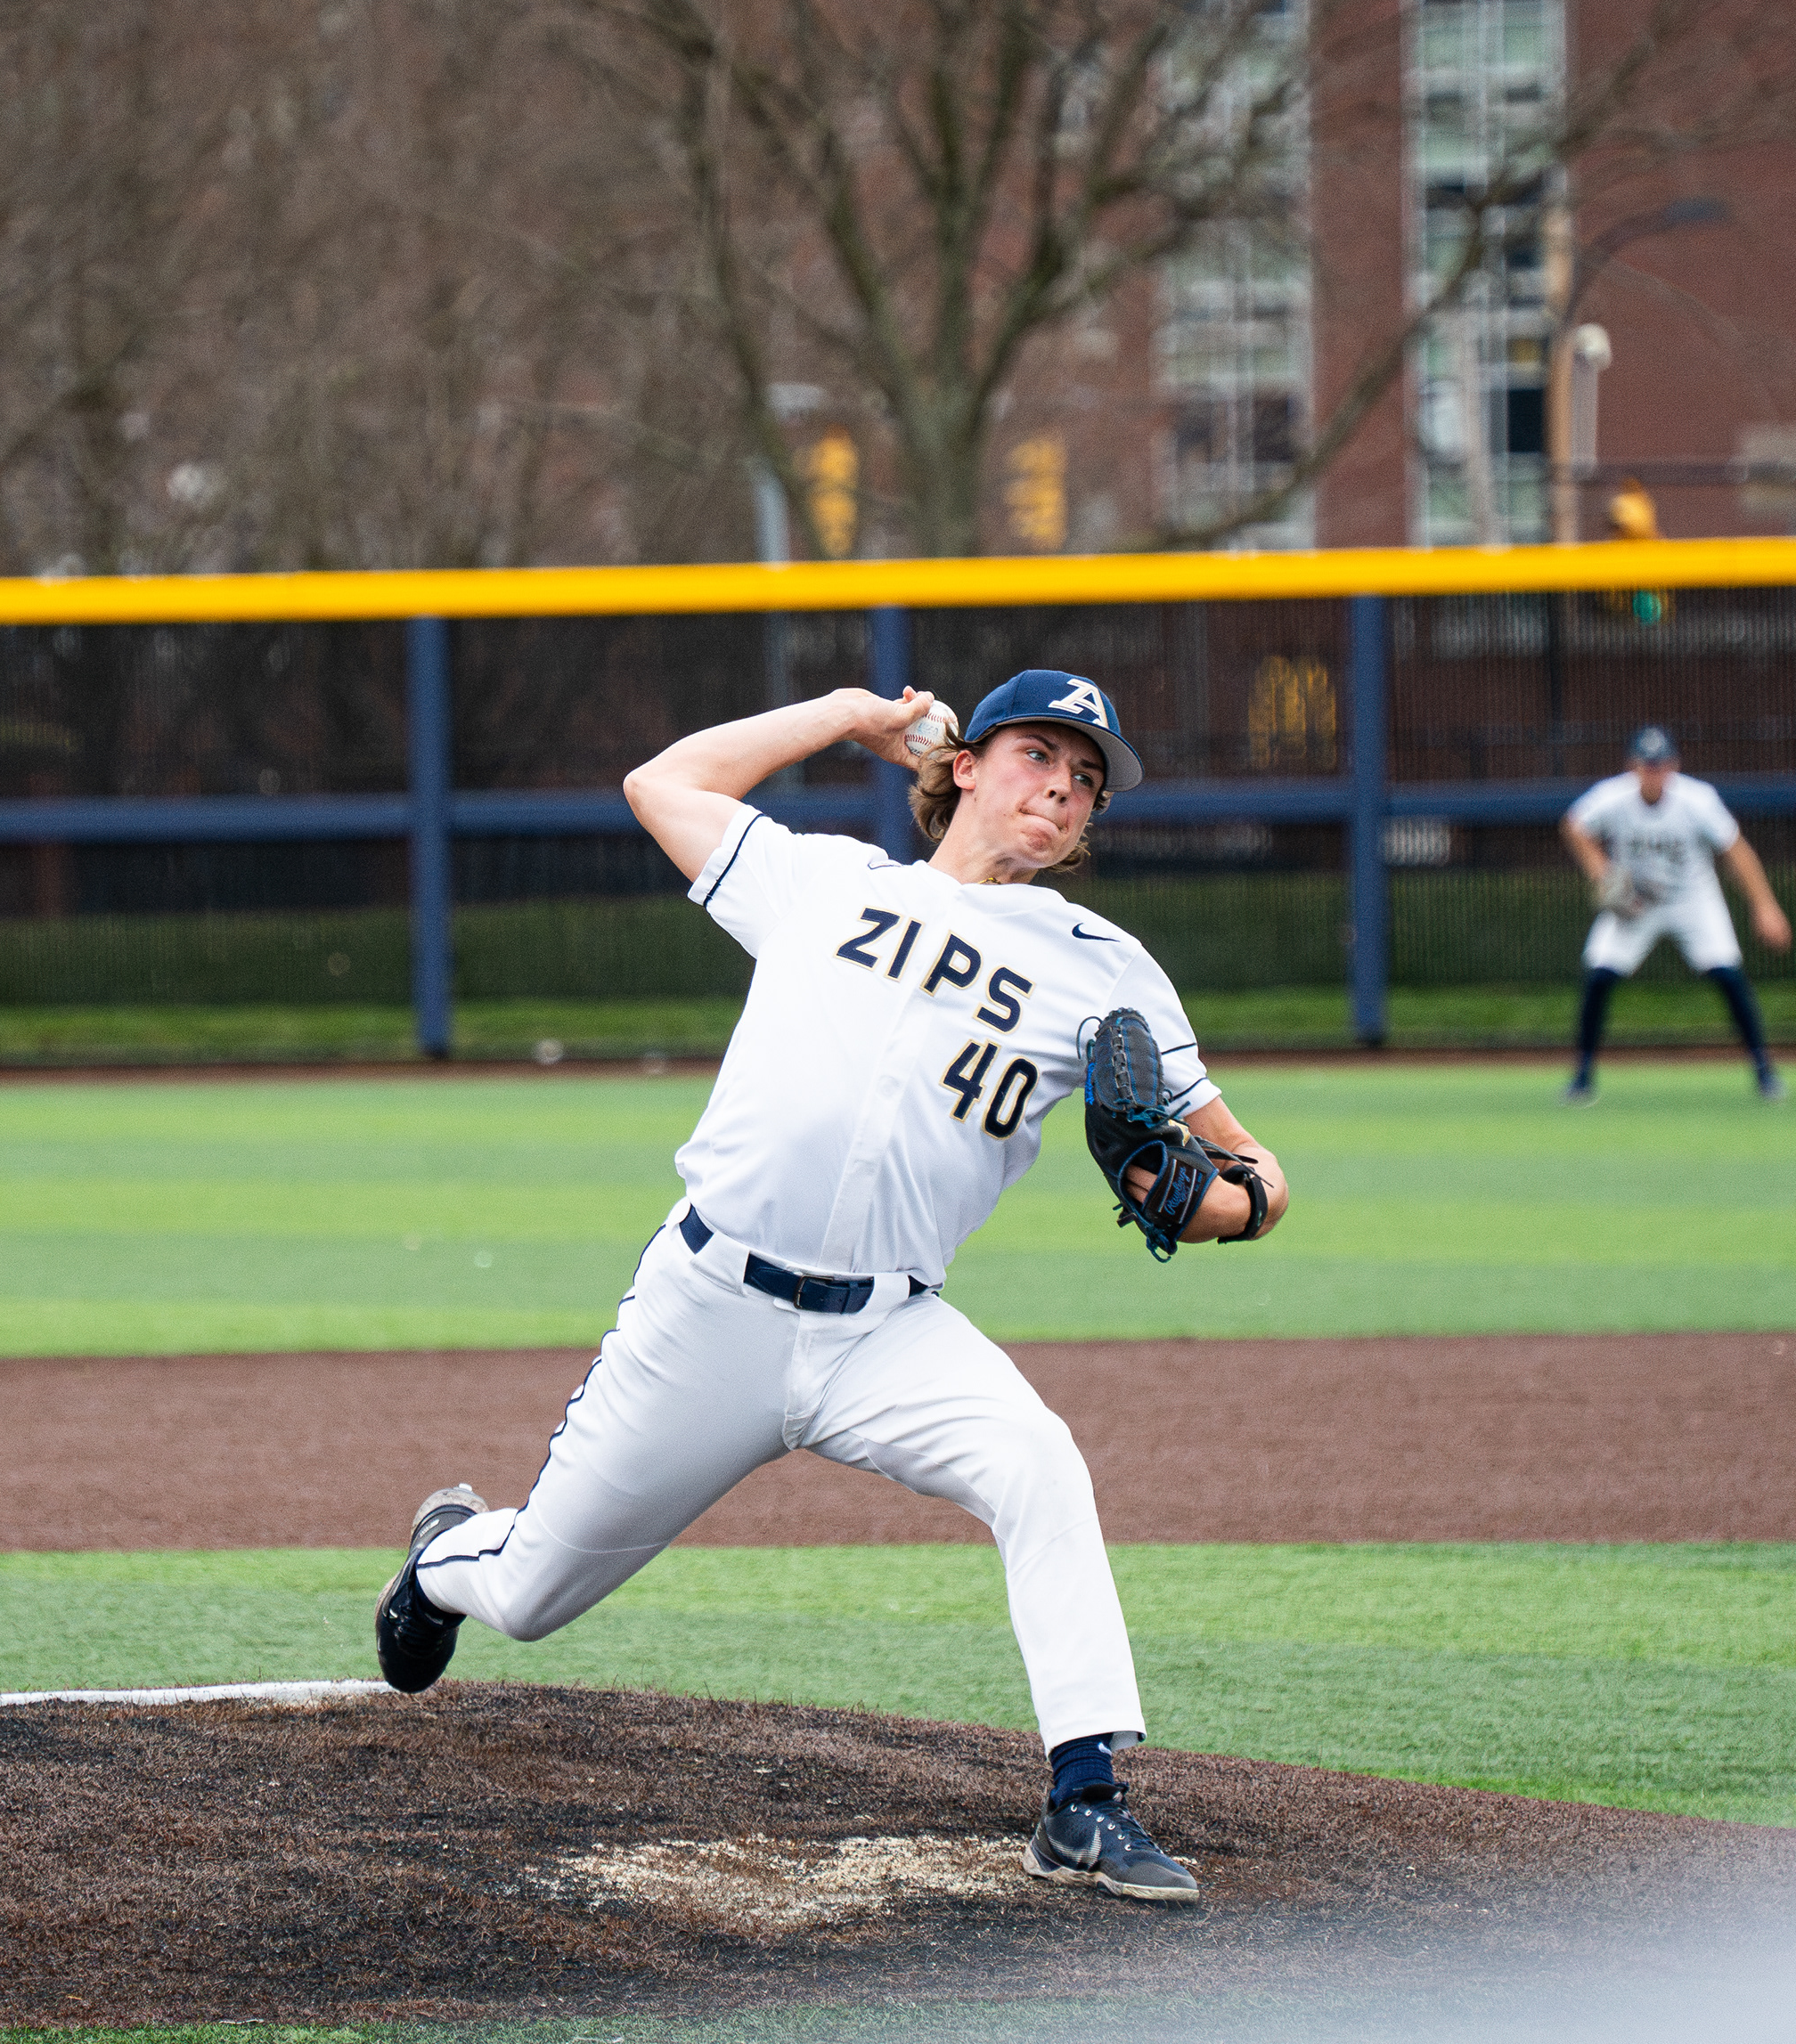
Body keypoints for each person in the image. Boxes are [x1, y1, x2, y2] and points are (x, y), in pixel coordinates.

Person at [372, 671, 1288, 1905]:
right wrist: (852, 715)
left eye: (1085, 782)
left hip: (886, 1332)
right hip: (710, 1311)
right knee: (531, 1595)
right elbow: (661, 784)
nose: (1062, 790)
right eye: (1037, 755)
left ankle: (1085, 1798)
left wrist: (1215, 1205)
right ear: (966, 765)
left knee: (1037, 1460)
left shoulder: (1104, 968)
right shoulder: (827, 882)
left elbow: (1254, 1170)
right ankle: (444, 1557)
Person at [1558, 728, 1792, 1104]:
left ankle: (1764, 1071)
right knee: (1599, 975)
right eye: (1646, 765)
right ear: (1632, 767)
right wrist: (1602, 872)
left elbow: (1736, 850)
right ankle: (1582, 1076)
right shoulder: (1612, 797)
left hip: (1692, 900)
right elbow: (1574, 825)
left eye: (1660, 765)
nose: (1654, 773)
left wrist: (1765, 905)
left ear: (1674, 766)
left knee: (1728, 976)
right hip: (1636, 903)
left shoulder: (1697, 799)